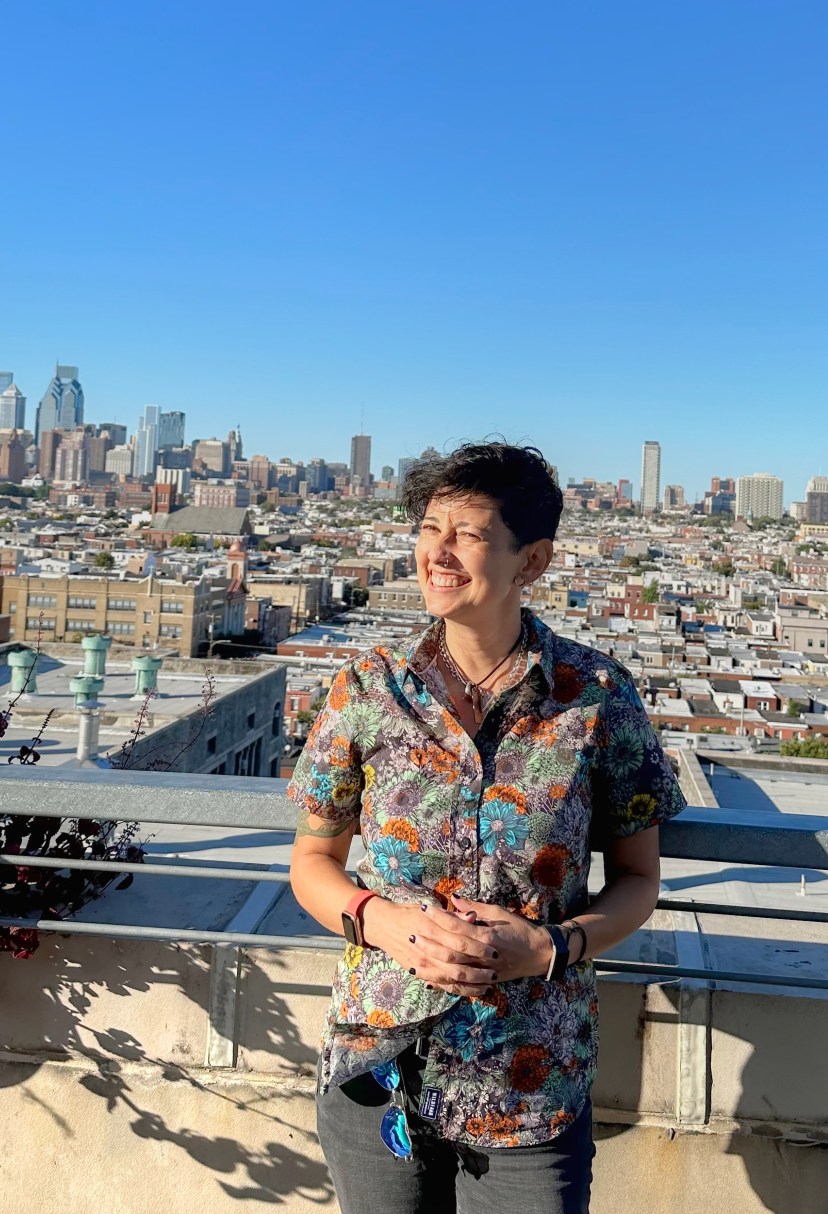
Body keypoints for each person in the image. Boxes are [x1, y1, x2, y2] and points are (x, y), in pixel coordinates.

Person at [288, 441, 685, 1213]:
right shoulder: (369, 689)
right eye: (429, 527)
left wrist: (549, 946)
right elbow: (312, 861)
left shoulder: (597, 697)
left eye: (467, 534)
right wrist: (388, 926)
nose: (438, 551)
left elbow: (639, 881)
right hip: (378, 1067)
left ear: (530, 561)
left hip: (529, 1077)